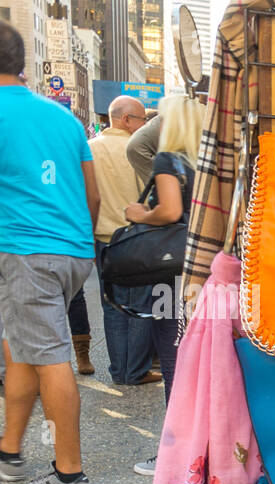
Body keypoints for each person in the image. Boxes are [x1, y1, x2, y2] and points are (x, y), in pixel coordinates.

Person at [0, 21, 99, 484]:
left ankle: (69, 475)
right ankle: (9, 451)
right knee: (23, 346)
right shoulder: (64, 118)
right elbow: (91, 192)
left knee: (50, 354)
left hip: (24, 250)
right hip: (71, 249)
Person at [124, 93, 201, 477]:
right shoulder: (209, 164)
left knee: (173, 360)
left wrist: (141, 213)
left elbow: (170, 211)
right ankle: (199, 444)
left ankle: (174, 451)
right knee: (201, 361)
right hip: (206, 274)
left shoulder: (168, 160)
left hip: (169, 275)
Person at [88, 94, 161, 386]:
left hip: (102, 240)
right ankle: (136, 370)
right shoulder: (138, 150)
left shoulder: (89, 149)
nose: (145, 126)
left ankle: (119, 371)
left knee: (112, 306)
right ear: (126, 119)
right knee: (142, 305)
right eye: (142, 120)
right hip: (136, 239)